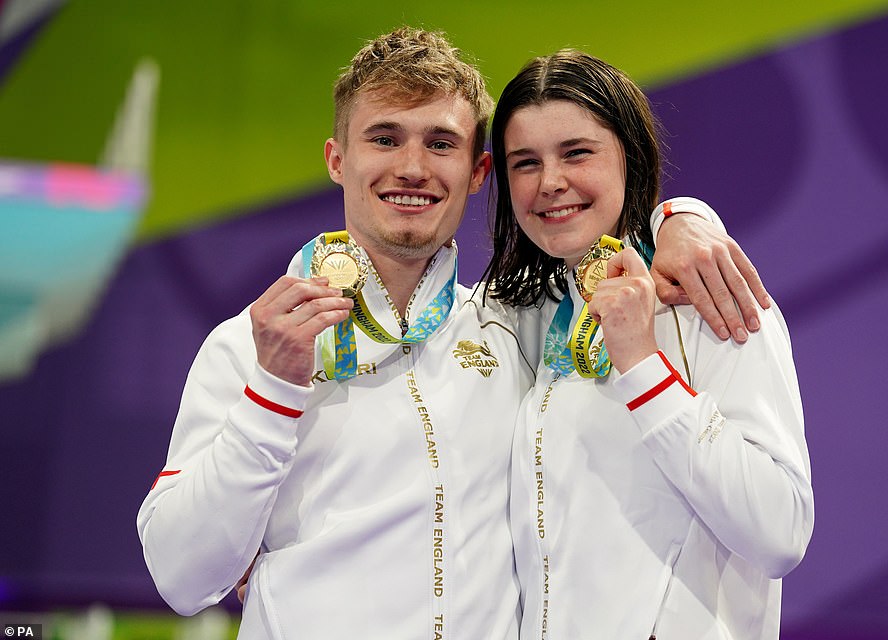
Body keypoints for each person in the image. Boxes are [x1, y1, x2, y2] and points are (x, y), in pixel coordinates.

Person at [138, 28, 774, 638]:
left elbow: (607, 228)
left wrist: (679, 217)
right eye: (384, 139)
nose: (413, 168)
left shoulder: (517, 327)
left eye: (440, 143)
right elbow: (182, 578)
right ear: (337, 159)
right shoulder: (250, 347)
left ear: (477, 172)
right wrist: (271, 398)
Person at [482, 50, 814, 638]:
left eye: (577, 152)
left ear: (629, 159)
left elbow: (780, 530)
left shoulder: (710, 299)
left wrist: (642, 364)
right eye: (524, 163)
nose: (550, 182)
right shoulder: (517, 320)